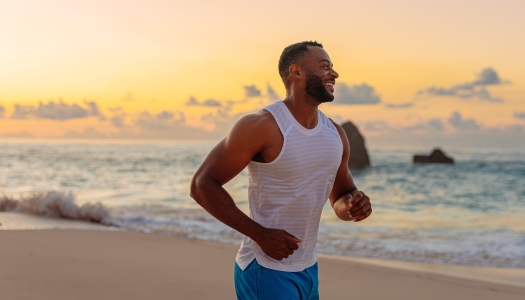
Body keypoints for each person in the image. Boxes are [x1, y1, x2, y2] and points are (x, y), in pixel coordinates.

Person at [190, 41, 372, 300]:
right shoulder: (262, 126)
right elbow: (201, 184)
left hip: (308, 268)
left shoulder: (335, 134)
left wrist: (354, 206)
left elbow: (342, 196)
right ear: (296, 72)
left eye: (332, 67)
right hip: (265, 269)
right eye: (324, 67)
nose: (333, 74)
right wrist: (259, 234)